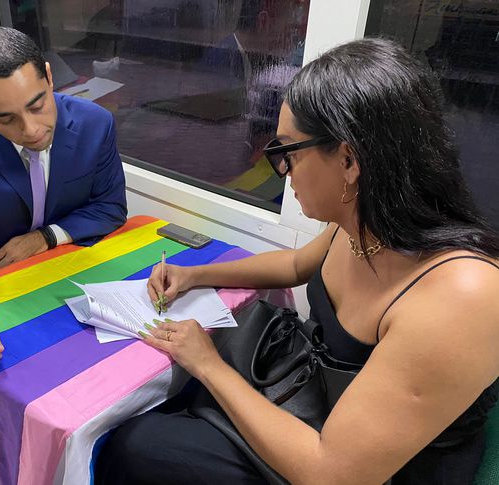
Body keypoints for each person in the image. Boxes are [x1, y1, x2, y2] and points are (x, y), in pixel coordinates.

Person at [94, 38, 499, 484]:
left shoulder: (463, 296)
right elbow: (295, 266)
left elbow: (332, 473)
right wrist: (194, 274)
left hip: (366, 469)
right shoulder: (365, 223)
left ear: (349, 160)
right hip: (318, 410)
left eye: (288, 152)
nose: (283, 171)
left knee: (138, 447)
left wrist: (207, 363)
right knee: (167, 416)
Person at [0, 27, 127, 365]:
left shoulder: (95, 123)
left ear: (48, 76)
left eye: (37, 104)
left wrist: (45, 237)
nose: (31, 130)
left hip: (70, 270)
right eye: (5, 118)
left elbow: (109, 207)